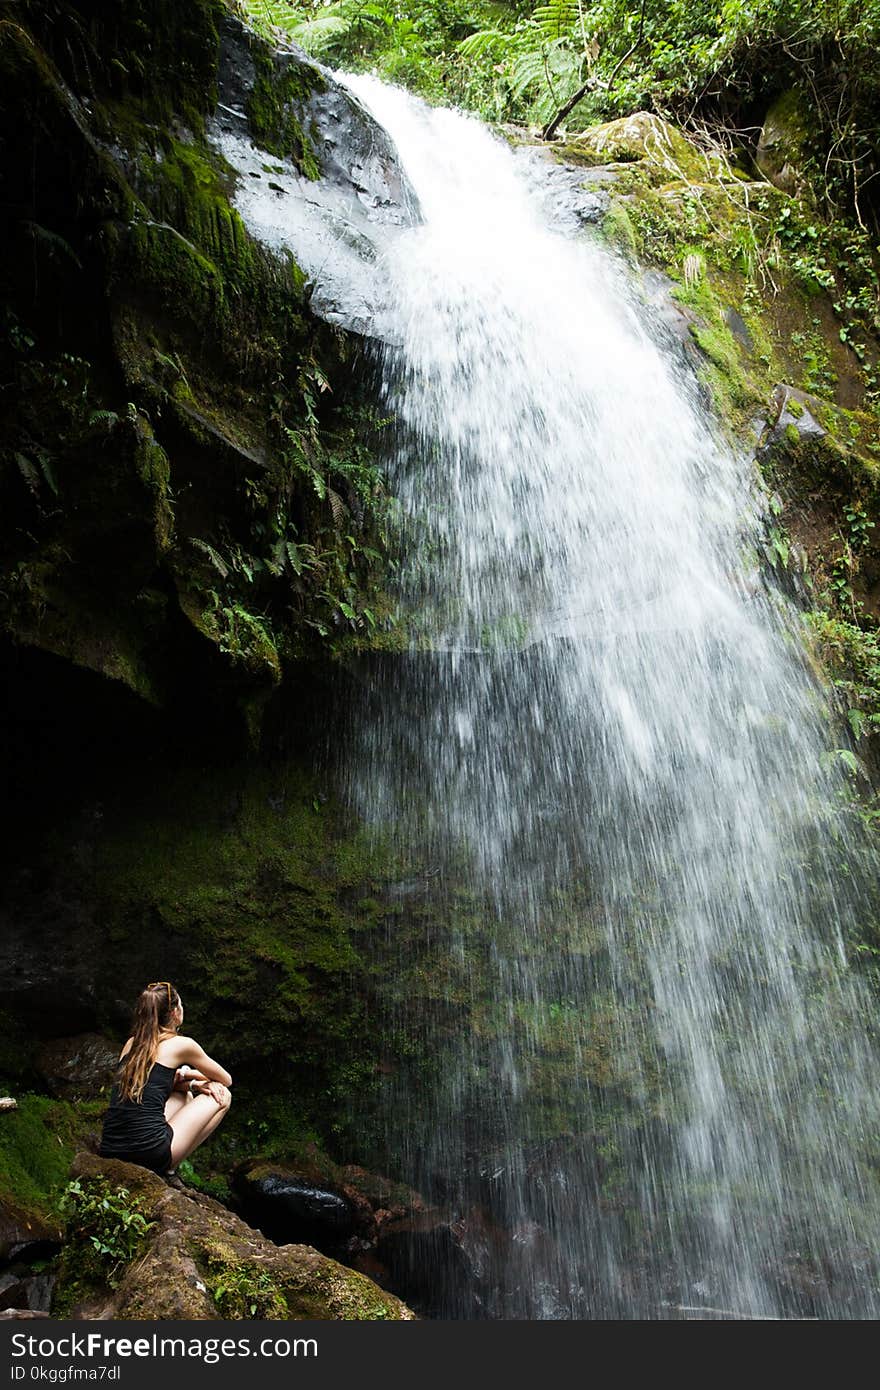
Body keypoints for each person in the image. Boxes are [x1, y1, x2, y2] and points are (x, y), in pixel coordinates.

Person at [98, 981, 232, 1177]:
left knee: (183, 1095)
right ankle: (168, 1167)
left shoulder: (130, 1044)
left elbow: (152, 1088)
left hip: (112, 1148)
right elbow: (225, 1079)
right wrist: (190, 1074)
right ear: (174, 1013)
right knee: (223, 1096)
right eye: (181, 1005)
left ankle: (166, 1160)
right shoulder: (182, 1045)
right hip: (148, 1152)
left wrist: (190, 1082)